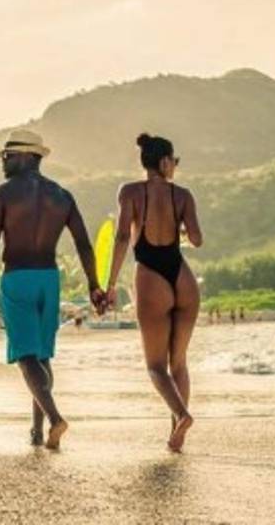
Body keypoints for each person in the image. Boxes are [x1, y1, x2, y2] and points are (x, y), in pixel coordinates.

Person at [0, 129, 105, 450]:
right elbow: (83, 243)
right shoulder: (62, 195)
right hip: (49, 279)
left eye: (8, 156)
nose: (3, 162)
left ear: (28, 156)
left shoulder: (4, 193)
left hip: (17, 278)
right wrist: (94, 284)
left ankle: (55, 418)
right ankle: (37, 431)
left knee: (26, 356)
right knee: (41, 355)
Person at [105, 133, 203, 453]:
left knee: (155, 366)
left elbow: (121, 237)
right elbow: (198, 240)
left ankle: (181, 414)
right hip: (182, 276)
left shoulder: (130, 192)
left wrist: (110, 285)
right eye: (174, 161)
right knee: (180, 364)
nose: (175, 167)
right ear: (163, 162)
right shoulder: (183, 195)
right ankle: (177, 436)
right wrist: (180, 227)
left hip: (150, 275)